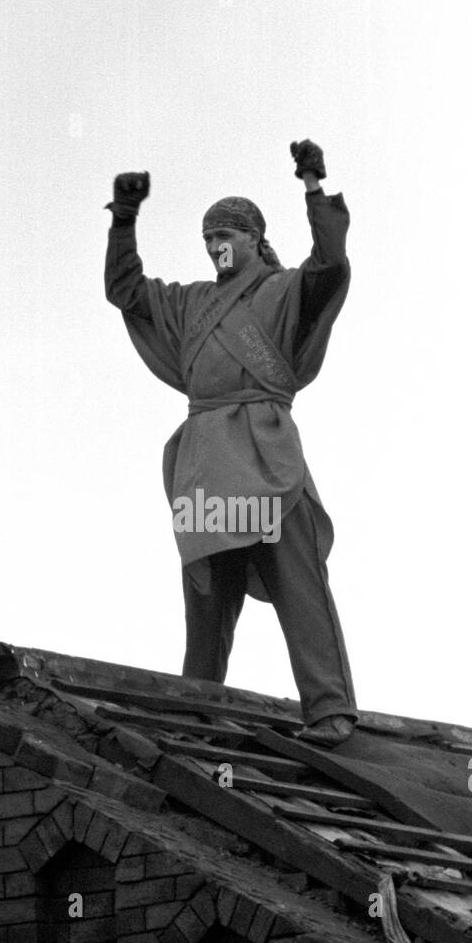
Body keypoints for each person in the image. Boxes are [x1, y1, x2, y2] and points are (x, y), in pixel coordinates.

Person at [104, 139, 357, 747]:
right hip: (205, 464)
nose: (215, 247)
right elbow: (127, 290)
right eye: (207, 239)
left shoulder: (284, 289)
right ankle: (197, 714)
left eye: (226, 236)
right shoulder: (190, 303)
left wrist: (313, 187)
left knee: (299, 580)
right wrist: (124, 219)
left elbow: (331, 267)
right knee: (207, 598)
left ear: (252, 239)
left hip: (265, 453)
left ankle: (329, 711)